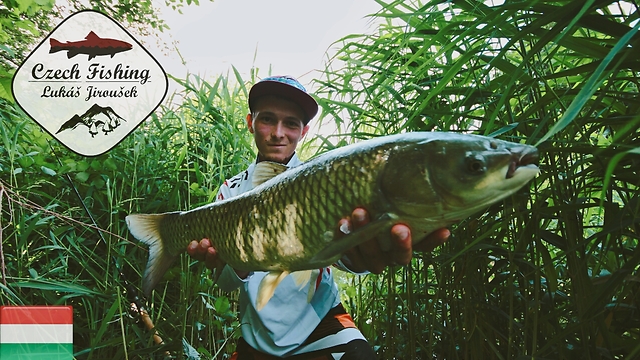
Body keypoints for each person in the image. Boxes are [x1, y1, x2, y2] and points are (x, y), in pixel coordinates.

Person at [187, 76, 450, 359]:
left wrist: (367, 248)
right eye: (267, 120)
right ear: (251, 122)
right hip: (257, 333)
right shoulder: (231, 191)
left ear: (304, 132)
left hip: (321, 322)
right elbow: (226, 283)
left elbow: (351, 256)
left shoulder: (327, 179)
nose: (278, 133)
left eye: (291, 124)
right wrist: (236, 260)